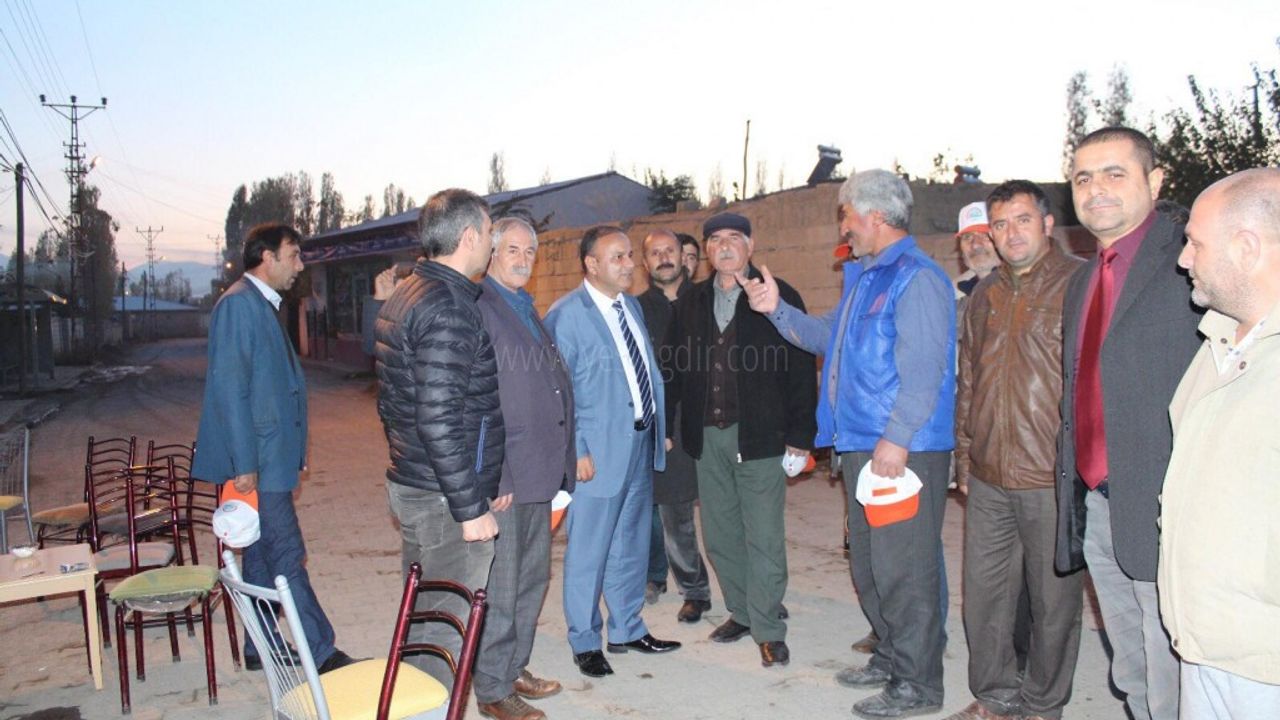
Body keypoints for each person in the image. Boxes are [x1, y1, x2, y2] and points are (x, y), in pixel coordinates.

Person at [742, 169, 955, 718]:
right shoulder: (865, 278)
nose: (844, 228)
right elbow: (824, 337)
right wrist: (775, 310)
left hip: (902, 449)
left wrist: (897, 439)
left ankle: (918, 684)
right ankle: (890, 656)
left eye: (846, 216)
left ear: (875, 216)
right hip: (863, 444)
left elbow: (925, 369)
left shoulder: (917, 278)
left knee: (906, 570)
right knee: (871, 564)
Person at [1054, 127, 1202, 720]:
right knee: (1132, 667)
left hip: (1169, 506)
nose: (1097, 189)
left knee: (1175, 676)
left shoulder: (1190, 261)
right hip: (1099, 504)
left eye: (1115, 174)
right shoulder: (1084, 279)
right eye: (1083, 178)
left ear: (1155, 181)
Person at [947, 181, 1084, 720]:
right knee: (985, 596)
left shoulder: (1079, 284)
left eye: (1022, 220)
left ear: (1047, 224)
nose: (1011, 233)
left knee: (1053, 602)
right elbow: (969, 382)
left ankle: (1044, 705)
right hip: (988, 475)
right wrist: (965, 458)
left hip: (1051, 475)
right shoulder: (985, 295)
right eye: (1000, 224)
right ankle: (995, 696)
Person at [193, 222, 356, 674]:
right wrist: (244, 463)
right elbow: (230, 389)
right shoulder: (238, 306)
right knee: (286, 553)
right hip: (259, 461)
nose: (299, 265)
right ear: (267, 257)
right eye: (294, 255)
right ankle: (320, 651)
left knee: (263, 554)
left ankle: (258, 646)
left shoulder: (261, 304)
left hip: (271, 458)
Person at [663, 213, 816, 668]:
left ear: (750, 245)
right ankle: (743, 612)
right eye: (715, 240)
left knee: (764, 536)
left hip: (761, 437)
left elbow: (801, 367)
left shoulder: (777, 295)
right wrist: (667, 429)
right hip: (708, 438)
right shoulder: (690, 303)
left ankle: (768, 629)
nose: (724, 246)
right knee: (721, 536)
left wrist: (801, 435)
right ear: (705, 251)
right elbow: (672, 370)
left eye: (734, 238)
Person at [1159, 168, 1280, 717]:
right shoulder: (1218, 343)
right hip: (1205, 644)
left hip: (1262, 661)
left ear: (1246, 248)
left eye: (1196, 243)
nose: (1184, 259)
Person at [374, 188, 504, 685]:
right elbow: (438, 417)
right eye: (490, 233)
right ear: (469, 236)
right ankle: (428, 709)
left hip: (416, 481)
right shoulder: (448, 306)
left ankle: (412, 703)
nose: (492, 244)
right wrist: (469, 508)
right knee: (445, 631)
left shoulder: (410, 291)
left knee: (424, 618)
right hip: (443, 497)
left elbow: (396, 402)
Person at [545, 225, 681, 679]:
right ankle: (585, 640)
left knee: (630, 545)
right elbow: (558, 391)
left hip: (638, 443)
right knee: (589, 551)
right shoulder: (567, 316)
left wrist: (656, 426)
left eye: (628, 256)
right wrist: (576, 449)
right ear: (591, 264)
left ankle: (627, 628)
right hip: (596, 454)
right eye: (617, 257)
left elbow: (642, 371)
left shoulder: (630, 306)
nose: (629, 264)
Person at [473, 217, 576, 720]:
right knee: (504, 587)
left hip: (540, 471)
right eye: (511, 249)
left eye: (529, 251)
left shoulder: (524, 306)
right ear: (491, 253)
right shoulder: (482, 307)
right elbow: (479, 402)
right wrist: (497, 475)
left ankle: (514, 667)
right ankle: (493, 689)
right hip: (509, 476)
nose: (521, 259)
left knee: (533, 580)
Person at [636, 229, 713, 624]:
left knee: (719, 513)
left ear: (684, 257)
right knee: (669, 513)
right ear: (645, 262)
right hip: (662, 426)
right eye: (655, 252)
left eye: (670, 250)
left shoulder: (708, 300)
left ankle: (746, 588)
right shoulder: (635, 310)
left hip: (709, 422)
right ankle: (688, 588)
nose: (664, 257)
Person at [953, 201, 1000, 299]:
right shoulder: (953, 295)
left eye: (985, 235)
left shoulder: (1025, 287)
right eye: (967, 237)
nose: (975, 245)